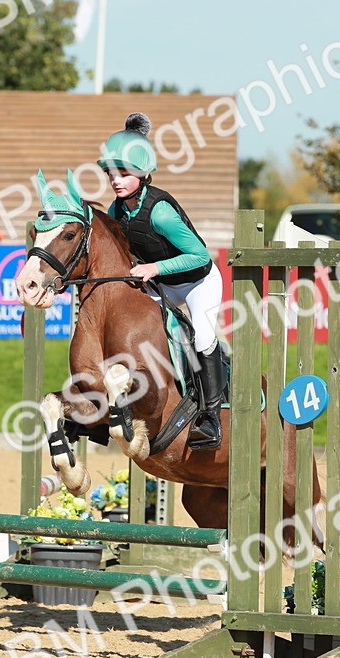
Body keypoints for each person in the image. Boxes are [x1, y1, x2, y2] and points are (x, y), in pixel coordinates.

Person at [97, 113, 225, 451]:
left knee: (203, 334)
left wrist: (153, 267)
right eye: (111, 173)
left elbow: (200, 256)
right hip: (164, 283)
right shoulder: (117, 210)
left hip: (198, 282)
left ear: (142, 173)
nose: (116, 180)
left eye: (123, 173)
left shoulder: (160, 211)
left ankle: (211, 417)